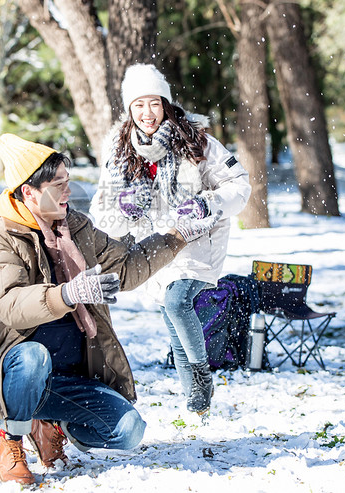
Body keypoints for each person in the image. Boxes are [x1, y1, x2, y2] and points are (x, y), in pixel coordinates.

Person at [0, 133, 222, 485]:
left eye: (68, 181)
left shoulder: (76, 227)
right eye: (57, 185)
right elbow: (11, 306)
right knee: (33, 357)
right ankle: (11, 442)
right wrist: (67, 294)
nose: (67, 191)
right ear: (29, 192)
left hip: (68, 375)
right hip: (14, 366)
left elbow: (126, 267)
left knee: (129, 431)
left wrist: (177, 236)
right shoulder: (1, 237)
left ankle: (50, 421)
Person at [90, 63, 251, 415]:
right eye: (138, 105)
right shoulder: (118, 153)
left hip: (196, 242)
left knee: (179, 302)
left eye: (154, 103)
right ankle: (197, 408)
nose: (147, 113)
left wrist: (207, 203)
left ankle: (202, 379)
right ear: (129, 110)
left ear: (166, 104)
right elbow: (102, 215)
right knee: (170, 317)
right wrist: (123, 206)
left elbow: (240, 186)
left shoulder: (197, 142)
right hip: (154, 250)